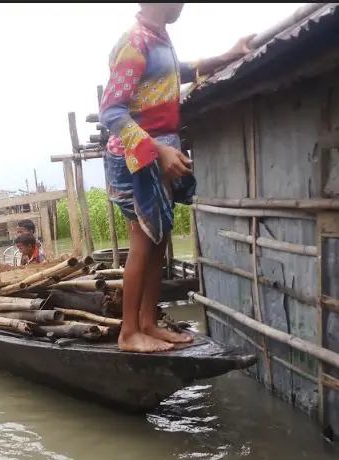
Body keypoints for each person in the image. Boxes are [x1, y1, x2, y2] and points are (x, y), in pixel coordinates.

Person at [99, 3, 254, 353]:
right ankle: (129, 333)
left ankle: (149, 324)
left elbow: (176, 72)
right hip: (134, 156)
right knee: (143, 240)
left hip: (157, 152)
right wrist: (158, 149)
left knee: (159, 239)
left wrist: (226, 56)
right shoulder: (134, 42)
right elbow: (111, 110)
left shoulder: (159, 39)